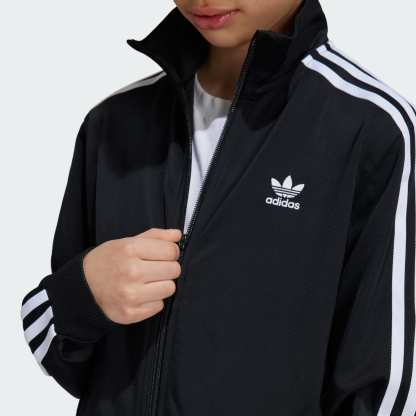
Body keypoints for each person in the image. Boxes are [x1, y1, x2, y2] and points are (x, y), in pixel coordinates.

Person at [20, 0, 416, 414]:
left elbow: (386, 387)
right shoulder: (114, 123)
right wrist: (84, 295)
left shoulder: (372, 131)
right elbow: (64, 359)